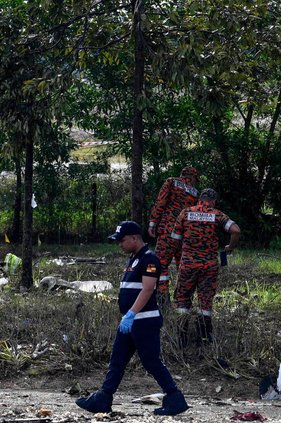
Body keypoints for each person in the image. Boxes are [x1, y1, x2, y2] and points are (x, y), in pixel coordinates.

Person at [75, 221, 189, 416]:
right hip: (129, 321)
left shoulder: (149, 259)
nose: (120, 244)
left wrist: (132, 313)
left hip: (144, 320)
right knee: (117, 360)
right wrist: (127, 316)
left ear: (135, 238)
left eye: (122, 240)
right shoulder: (134, 258)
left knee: (151, 361)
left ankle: (174, 397)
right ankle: (103, 398)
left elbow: (147, 289)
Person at [171, 188, 241, 345]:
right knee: (205, 300)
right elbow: (236, 230)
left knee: (182, 298)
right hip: (209, 266)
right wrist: (230, 247)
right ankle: (204, 338)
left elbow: (175, 239)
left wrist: (184, 252)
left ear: (199, 199)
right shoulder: (217, 214)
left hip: (188, 264)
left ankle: (181, 339)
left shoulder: (185, 212)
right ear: (214, 201)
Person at [148, 166, 199, 303]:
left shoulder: (171, 182)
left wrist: (153, 222)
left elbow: (161, 202)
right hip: (184, 234)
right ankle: (183, 299)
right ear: (193, 177)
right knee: (182, 266)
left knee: (161, 264)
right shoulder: (195, 193)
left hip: (167, 230)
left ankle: (163, 298)